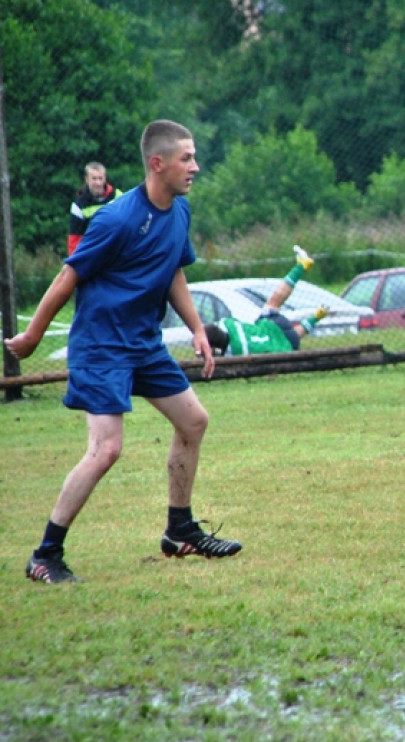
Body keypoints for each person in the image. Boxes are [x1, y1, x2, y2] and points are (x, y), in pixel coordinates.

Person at [5, 119, 241, 584]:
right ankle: (45, 555)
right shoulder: (116, 218)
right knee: (106, 449)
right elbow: (68, 276)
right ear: (158, 164)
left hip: (143, 344)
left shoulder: (179, 212)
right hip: (101, 346)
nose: (195, 166)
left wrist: (196, 327)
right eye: (186, 158)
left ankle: (180, 531)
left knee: (194, 420)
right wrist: (33, 335)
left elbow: (173, 269)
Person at [204, 245, 330, 356]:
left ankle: (316, 317)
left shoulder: (235, 353)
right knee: (272, 303)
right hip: (274, 325)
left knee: (291, 337)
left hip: (288, 346)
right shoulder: (227, 324)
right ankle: (301, 266)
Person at [68, 161, 123, 256]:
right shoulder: (78, 206)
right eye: (94, 179)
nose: (98, 183)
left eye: (100, 178)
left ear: (105, 179)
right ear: (86, 179)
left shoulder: (118, 197)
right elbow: (75, 238)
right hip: (93, 252)